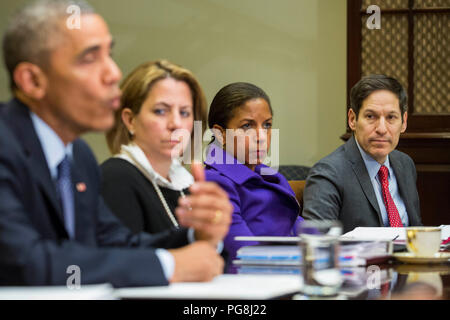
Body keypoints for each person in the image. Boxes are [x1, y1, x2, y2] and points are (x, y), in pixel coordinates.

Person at [0, 0, 232, 287]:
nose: (114, 74)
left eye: (109, 54)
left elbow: (114, 245)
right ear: (33, 80)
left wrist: (195, 235)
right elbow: (21, 263)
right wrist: (171, 265)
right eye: (89, 58)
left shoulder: (78, 156)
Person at [302, 75, 422, 233]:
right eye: (371, 116)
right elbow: (318, 244)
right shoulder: (328, 173)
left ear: (404, 122)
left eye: (391, 117)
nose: (381, 129)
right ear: (352, 119)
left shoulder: (405, 164)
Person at [204, 82, 303, 270]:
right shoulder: (214, 182)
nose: (262, 136)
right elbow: (245, 255)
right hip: (257, 284)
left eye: (267, 125)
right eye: (247, 126)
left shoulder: (271, 176)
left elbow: (302, 230)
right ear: (220, 134)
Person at [101, 60, 206, 234]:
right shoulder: (115, 178)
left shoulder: (186, 183)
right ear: (130, 120)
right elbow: (128, 258)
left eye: (184, 112)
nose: (176, 123)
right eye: (160, 111)